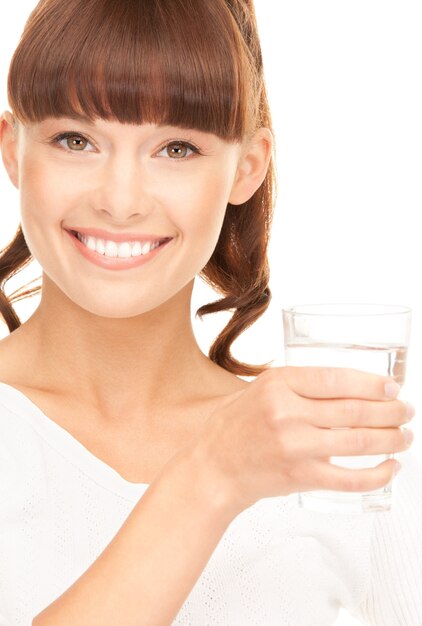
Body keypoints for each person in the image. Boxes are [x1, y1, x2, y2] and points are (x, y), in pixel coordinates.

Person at [0, 1, 421, 624]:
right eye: (76, 140)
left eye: (176, 149)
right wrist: (211, 477)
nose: (120, 200)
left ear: (246, 168)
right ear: (12, 149)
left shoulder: (326, 451)